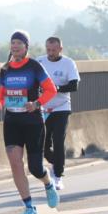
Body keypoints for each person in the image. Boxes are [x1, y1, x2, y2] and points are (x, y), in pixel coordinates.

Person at [0, 30, 60, 214]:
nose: (15, 46)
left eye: (19, 43)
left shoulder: (34, 66)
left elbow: (51, 90)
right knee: (15, 164)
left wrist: (36, 104)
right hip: (12, 121)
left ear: (26, 46)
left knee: (35, 168)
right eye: (12, 43)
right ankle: (29, 206)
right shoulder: (5, 68)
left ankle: (48, 183)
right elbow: (3, 93)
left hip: (33, 121)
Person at [37, 37, 80, 190]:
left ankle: (58, 175)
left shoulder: (68, 63)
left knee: (58, 140)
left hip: (61, 107)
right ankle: (56, 162)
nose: (51, 53)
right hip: (42, 108)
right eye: (48, 49)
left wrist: (56, 88)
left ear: (60, 49)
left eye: (54, 50)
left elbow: (74, 85)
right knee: (43, 144)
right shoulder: (39, 62)